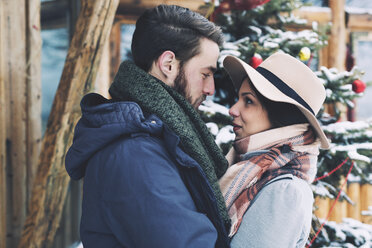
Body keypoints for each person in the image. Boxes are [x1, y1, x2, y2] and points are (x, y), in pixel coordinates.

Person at [65, 4, 231, 248]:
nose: (210, 89)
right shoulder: (135, 153)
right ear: (168, 64)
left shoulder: (156, 138)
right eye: (205, 74)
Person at [219, 52, 330, 248]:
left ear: (280, 115)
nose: (233, 109)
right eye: (239, 98)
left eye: (249, 101)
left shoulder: (285, 191)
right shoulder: (248, 169)